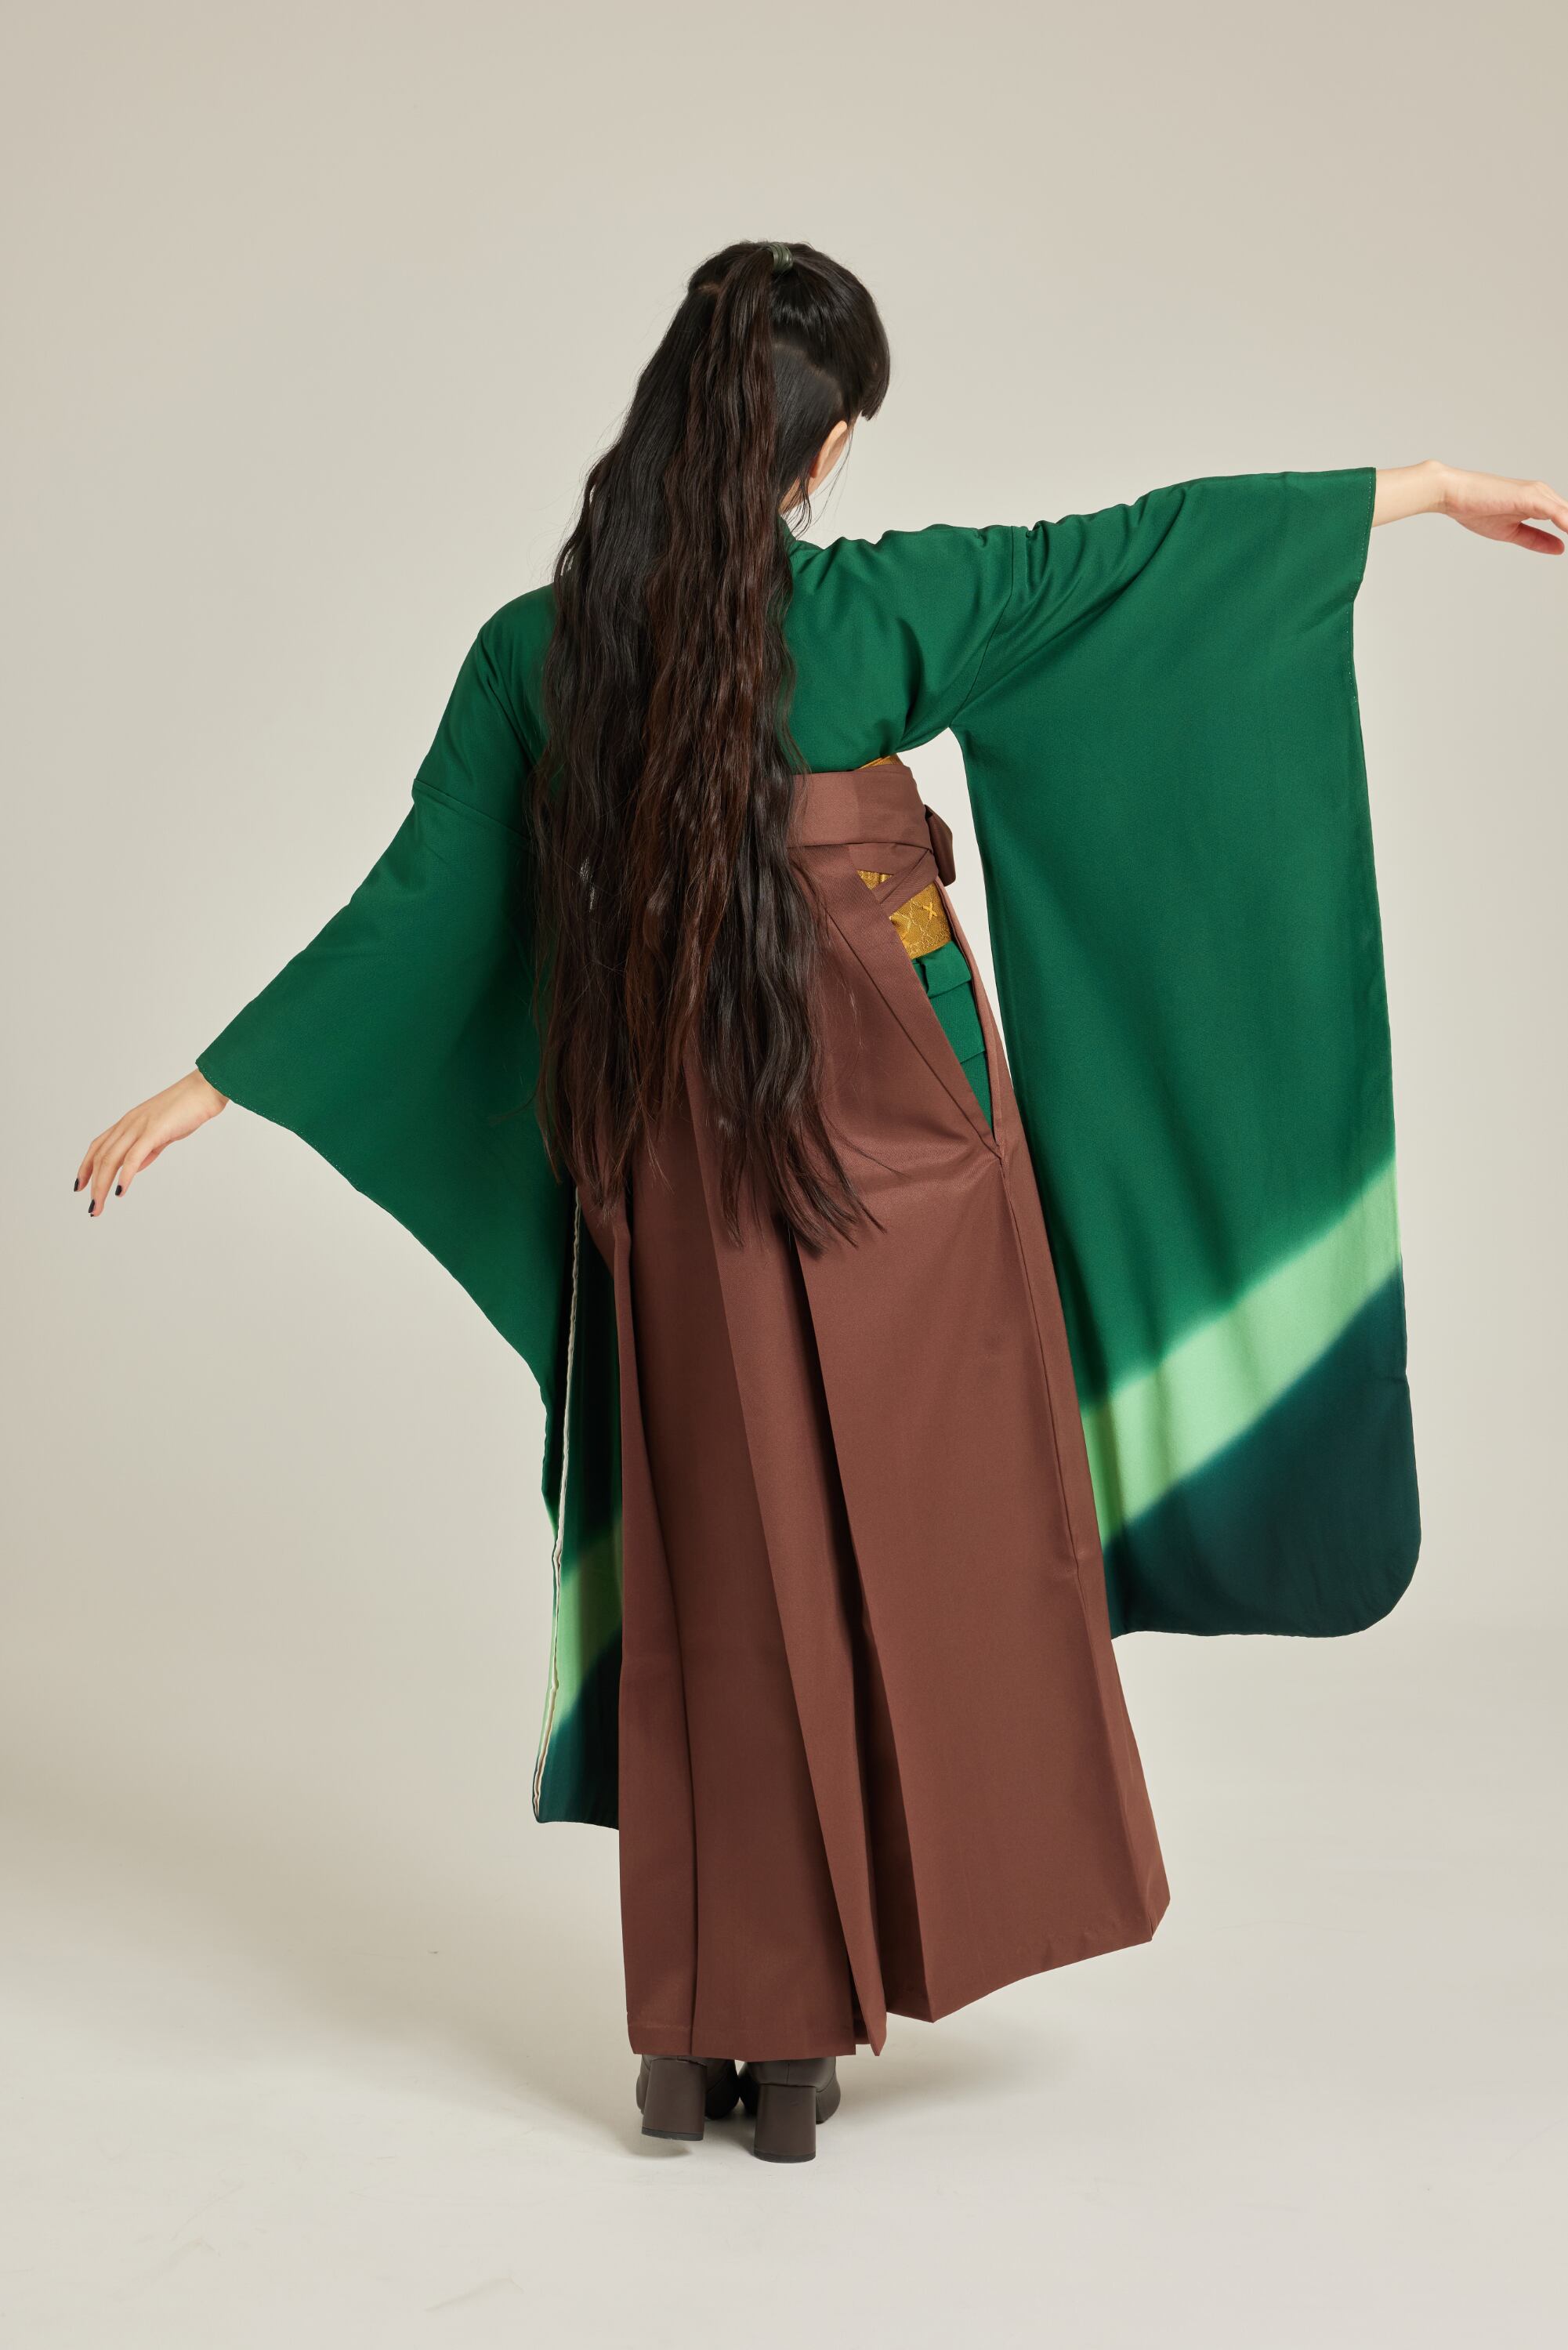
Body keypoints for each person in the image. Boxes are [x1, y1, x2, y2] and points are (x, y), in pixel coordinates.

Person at [74, 240, 1565, 2164]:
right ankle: (812, 2027)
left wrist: (221, 1077)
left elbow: (423, 897)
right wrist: (1421, 489)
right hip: (911, 1148)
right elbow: (1130, 559)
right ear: (827, 443)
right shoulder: (871, 611)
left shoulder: (540, 652)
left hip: (674, 1167)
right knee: (947, 1545)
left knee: (722, 1565)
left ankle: (709, 2034)